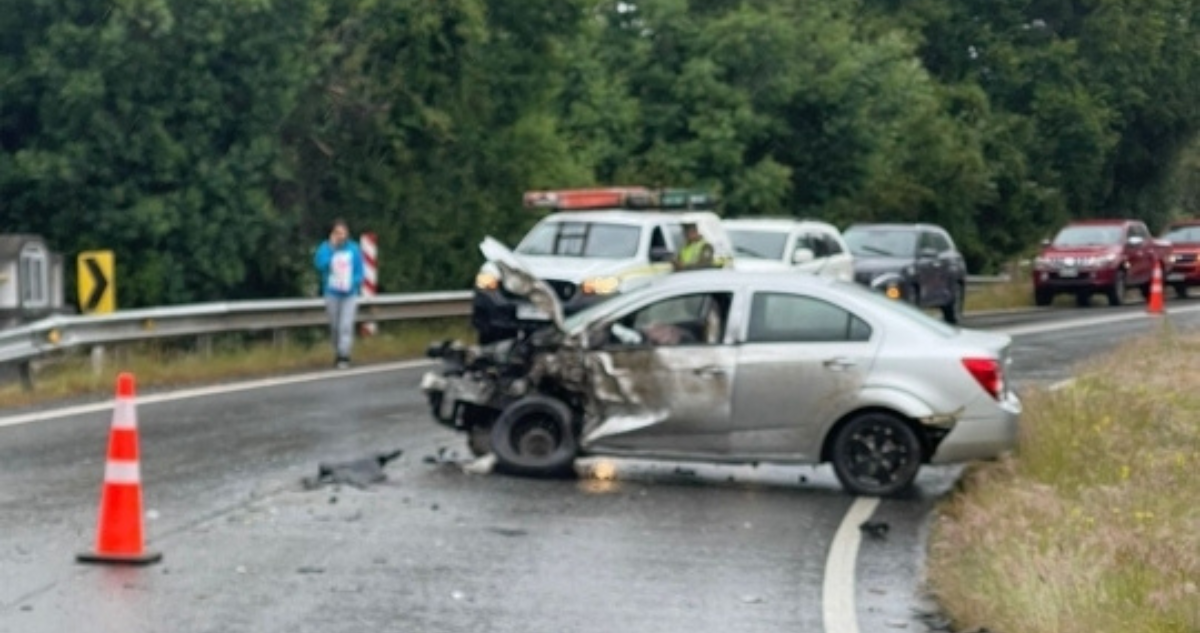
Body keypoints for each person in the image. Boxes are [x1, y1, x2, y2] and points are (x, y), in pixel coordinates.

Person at [314, 219, 365, 368]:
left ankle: (344, 355)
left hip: (349, 293)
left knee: (346, 325)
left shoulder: (354, 249)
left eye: (343, 232)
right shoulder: (325, 248)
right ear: (332, 234)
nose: (341, 236)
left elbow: (360, 271)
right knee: (335, 326)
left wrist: (354, 283)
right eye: (337, 233)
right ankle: (337, 352)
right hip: (332, 293)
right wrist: (332, 249)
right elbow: (320, 266)